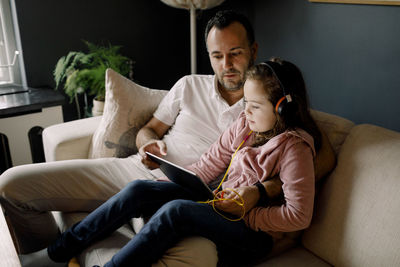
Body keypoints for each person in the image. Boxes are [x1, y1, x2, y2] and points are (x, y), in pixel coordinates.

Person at [0, 10, 334, 266]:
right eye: (217, 55)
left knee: (176, 212)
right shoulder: (236, 115)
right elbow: (208, 163)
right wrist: (176, 173)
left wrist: (253, 202)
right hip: (200, 194)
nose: (226, 64)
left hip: (248, 227)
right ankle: (58, 252)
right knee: (140, 189)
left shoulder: (287, 134)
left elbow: (300, 204)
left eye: (235, 53)